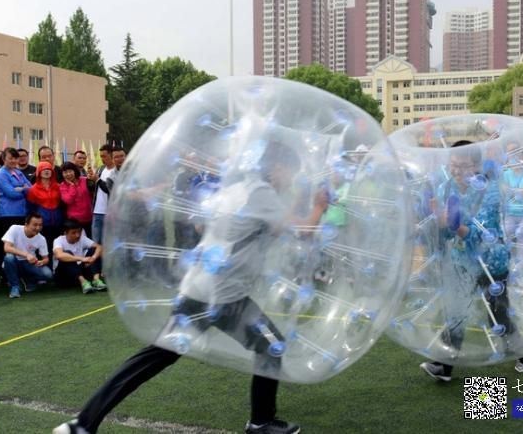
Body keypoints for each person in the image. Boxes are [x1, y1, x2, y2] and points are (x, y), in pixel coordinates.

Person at [53, 142, 325, 434]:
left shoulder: (239, 189)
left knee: (157, 356)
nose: (291, 178)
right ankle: (261, 422)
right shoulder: (261, 193)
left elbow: (218, 226)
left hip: (200, 287)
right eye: (290, 171)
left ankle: (82, 424)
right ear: (277, 168)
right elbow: (302, 230)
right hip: (223, 296)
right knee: (271, 345)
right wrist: (320, 205)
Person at [419, 141, 523, 383]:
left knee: (497, 315)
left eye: (463, 166)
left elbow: (484, 234)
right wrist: (440, 222)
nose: (457, 171)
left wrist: (454, 225)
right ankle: (444, 365)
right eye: (453, 165)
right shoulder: (445, 188)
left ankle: (520, 353)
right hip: (461, 260)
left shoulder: (489, 191)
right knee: (456, 311)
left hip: (491, 262)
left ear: (477, 166)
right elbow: (445, 233)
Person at [1, 212, 52, 298]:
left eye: (40, 225)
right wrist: (27, 255)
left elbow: (46, 259)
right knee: (9, 257)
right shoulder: (15, 228)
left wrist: (41, 262)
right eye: (35, 225)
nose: (38, 228)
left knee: (48, 274)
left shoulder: (41, 239)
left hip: (29, 263)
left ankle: (29, 280)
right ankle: (15, 287)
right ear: (26, 224)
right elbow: (7, 248)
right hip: (14, 262)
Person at [53, 219, 105, 294]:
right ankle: (83, 282)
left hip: (79, 271)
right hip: (63, 276)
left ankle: (96, 280)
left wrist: (93, 258)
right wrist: (82, 259)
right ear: (65, 233)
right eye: (73, 233)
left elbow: (99, 247)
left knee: (94, 250)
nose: (77, 235)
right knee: (67, 254)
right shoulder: (58, 240)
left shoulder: (82, 238)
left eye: (79, 232)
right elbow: (59, 255)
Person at [26, 161, 64, 257]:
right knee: (43, 248)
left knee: (57, 247)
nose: (46, 171)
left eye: (49, 169)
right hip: (42, 224)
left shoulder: (58, 187)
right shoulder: (33, 189)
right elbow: (30, 208)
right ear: (39, 172)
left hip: (58, 222)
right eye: (43, 169)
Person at [0, 147, 32, 233]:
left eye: (15, 158)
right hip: (8, 214)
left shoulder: (18, 172)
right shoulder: (1, 174)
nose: (13, 161)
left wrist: (20, 189)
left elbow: (30, 188)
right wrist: (24, 189)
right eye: (10, 158)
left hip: (22, 212)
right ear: (4, 159)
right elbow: (12, 194)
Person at [88, 144, 116, 246]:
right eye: (101, 156)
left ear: (111, 155)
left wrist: (97, 180)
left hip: (110, 213)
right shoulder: (101, 169)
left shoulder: (116, 172)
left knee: (108, 243)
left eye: (104, 156)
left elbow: (110, 190)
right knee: (95, 243)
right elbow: (94, 188)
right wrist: (91, 179)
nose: (102, 159)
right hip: (97, 211)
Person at [60, 161, 93, 237]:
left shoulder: (85, 180)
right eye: (65, 172)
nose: (68, 174)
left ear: (75, 171)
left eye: (70, 171)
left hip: (88, 218)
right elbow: (68, 200)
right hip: (73, 221)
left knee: (89, 241)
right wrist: (72, 186)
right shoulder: (62, 186)